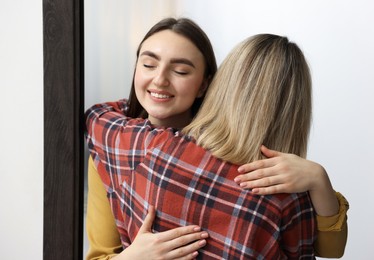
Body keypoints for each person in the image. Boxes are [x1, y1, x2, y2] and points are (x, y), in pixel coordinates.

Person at [86, 32, 348, 259]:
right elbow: (327, 250)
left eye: (180, 71)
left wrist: (317, 177)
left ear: (212, 85)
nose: (160, 80)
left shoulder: (144, 146)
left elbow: (97, 118)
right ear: (295, 111)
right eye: (147, 64)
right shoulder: (287, 198)